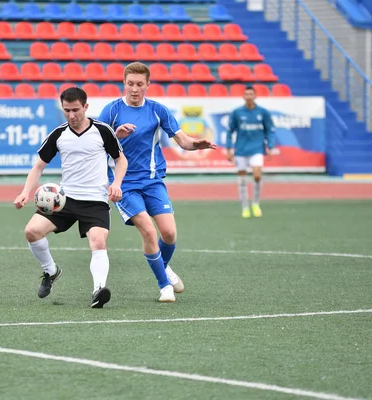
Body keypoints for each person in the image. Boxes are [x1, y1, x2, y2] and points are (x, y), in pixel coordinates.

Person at [97, 62, 217, 303]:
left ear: (148, 85)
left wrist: (197, 145)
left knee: (170, 234)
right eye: (130, 84)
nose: (134, 89)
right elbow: (96, 144)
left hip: (152, 181)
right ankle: (164, 287)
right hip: (124, 184)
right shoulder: (111, 111)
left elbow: (183, 141)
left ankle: (163, 266)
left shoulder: (157, 110)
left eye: (139, 84)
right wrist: (115, 134)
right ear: (124, 83)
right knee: (149, 232)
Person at [14, 87, 128, 308]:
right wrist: (24, 192)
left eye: (76, 109)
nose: (71, 115)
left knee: (98, 241)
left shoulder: (102, 131)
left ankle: (98, 291)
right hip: (64, 200)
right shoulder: (59, 134)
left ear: (85, 107)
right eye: (67, 110)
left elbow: (121, 160)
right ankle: (50, 271)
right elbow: (38, 167)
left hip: (95, 200)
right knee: (31, 232)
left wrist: (116, 184)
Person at [225, 86, 275, 218]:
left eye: (251, 94)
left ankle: (256, 203)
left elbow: (269, 130)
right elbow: (230, 131)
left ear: (255, 96)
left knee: (257, 175)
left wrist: (269, 146)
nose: (249, 96)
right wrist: (229, 148)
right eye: (246, 94)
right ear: (243, 96)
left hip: (257, 149)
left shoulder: (263, 112)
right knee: (242, 179)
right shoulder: (237, 112)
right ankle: (245, 207)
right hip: (241, 150)